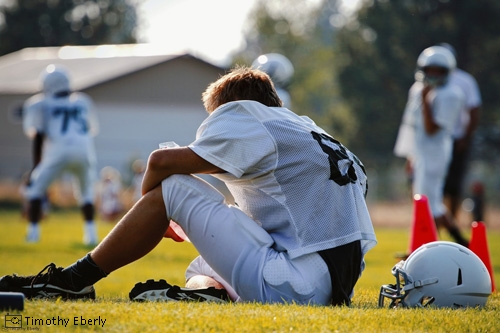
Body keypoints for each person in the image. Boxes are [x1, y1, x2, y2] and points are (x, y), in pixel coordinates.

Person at [0, 66, 377, 306]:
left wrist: (156, 207)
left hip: (296, 284)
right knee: (202, 264)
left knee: (175, 186)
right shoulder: (307, 129)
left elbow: (160, 163)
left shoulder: (248, 114)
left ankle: (72, 281)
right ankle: (206, 296)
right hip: (328, 283)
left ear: (233, 107)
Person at [394, 46, 468, 247]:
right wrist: (411, 155)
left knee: (427, 203)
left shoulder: (451, 94)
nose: (433, 75)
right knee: (427, 203)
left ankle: (429, 246)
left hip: (436, 154)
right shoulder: (418, 89)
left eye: (439, 71)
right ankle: (459, 241)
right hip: (422, 153)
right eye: (430, 70)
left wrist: (426, 100)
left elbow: (431, 129)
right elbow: (413, 127)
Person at [21, 64, 99, 245]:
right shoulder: (82, 101)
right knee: (86, 193)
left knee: (35, 190)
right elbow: (90, 129)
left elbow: (38, 136)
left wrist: (36, 166)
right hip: (84, 149)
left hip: (58, 150)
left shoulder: (40, 104)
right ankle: (91, 235)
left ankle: (33, 234)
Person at [439, 43, 482, 221]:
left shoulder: (465, 81)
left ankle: (451, 222)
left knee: (453, 185)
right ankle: (435, 223)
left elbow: (474, 110)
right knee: (433, 186)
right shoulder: (429, 81)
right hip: (434, 141)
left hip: (457, 139)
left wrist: (466, 137)